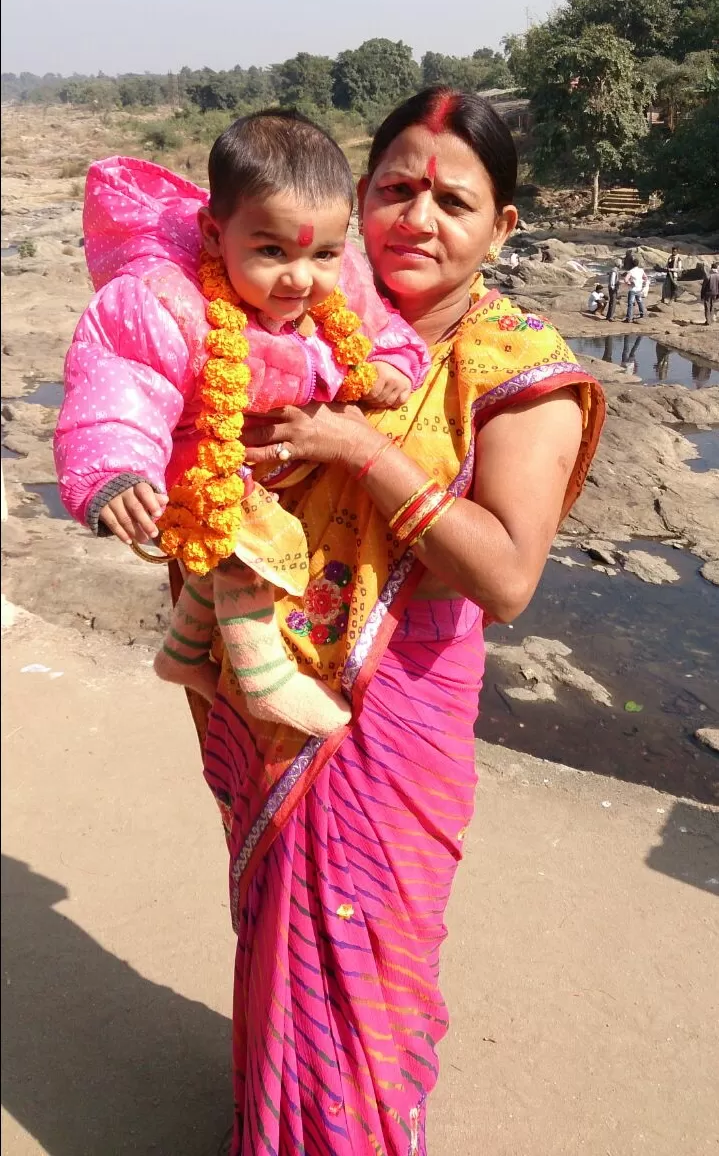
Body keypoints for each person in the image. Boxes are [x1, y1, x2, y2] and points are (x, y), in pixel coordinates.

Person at [179, 87, 604, 1155]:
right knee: (284, 931)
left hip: (390, 709)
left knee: (365, 954)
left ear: (501, 226)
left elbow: (506, 578)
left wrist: (357, 450)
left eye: (452, 200)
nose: (418, 217)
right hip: (266, 688)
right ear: (356, 198)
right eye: (396, 189)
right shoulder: (296, 315)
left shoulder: (512, 368)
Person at [54, 112, 430, 737]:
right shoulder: (168, 301)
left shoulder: (342, 284)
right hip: (199, 452)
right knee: (249, 536)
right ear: (212, 232)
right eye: (271, 251)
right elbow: (121, 380)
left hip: (284, 456)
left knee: (245, 535)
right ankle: (263, 679)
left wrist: (390, 362)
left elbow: (379, 328)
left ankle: (181, 654)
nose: (300, 278)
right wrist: (114, 471)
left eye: (324, 254)